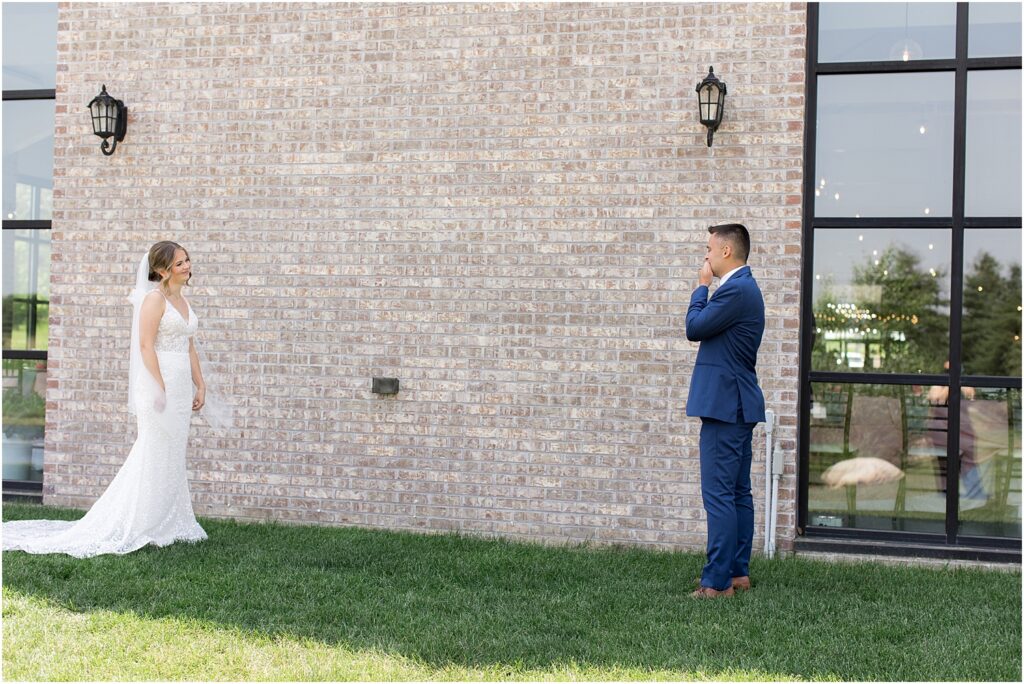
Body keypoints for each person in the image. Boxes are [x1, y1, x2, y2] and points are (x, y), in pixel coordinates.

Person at [3, 241, 232, 557]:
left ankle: (168, 521)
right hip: (157, 383)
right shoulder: (154, 301)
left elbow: (189, 347)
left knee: (172, 452)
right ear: (162, 271)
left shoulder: (184, 300)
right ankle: (139, 522)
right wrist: (160, 387)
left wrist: (200, 384)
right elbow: (145, 347)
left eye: (187, 260)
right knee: (152, 450)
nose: (187, 266)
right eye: (180, 263)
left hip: (181, 386)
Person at [685, 223, 766, 598]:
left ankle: (716, 583)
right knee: (736, 493)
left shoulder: (734, 290)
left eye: (708, 249)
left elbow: (695, 326)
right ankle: (737, 573)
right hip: (737, 404)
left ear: (727, 252)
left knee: (720, 494)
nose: (706, 257)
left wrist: (701, 287)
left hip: (725, 407)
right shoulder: (743, 289)